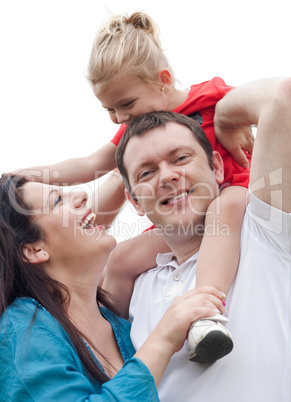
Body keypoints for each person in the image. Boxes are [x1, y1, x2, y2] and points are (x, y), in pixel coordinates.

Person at [7, 11, 254, 363]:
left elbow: (263, 109)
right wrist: (26, 175)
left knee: (223, 207)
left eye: (126, 104)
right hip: (175, 223)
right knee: (121, 258)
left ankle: (206, 313)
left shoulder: (210, 98)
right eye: (109, 109)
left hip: (229, 197)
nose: (120, 118)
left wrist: (236, 121)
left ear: (163, 81)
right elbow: (88, 165)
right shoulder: (129, 134)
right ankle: (108, 348)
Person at [111, 77, 291, 401]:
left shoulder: (265, 231)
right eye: (147, 173)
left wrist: (223, 117)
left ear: (217, 168)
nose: (167, 176)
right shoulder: (134, 286)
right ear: (134, 201)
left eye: (181, 158)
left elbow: (284, 97)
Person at [0, 175, 225, 401]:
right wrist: (162, 340)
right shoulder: (19, 330)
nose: (81, 195)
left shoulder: (124, 326)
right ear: (34, 250)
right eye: (58, 200)